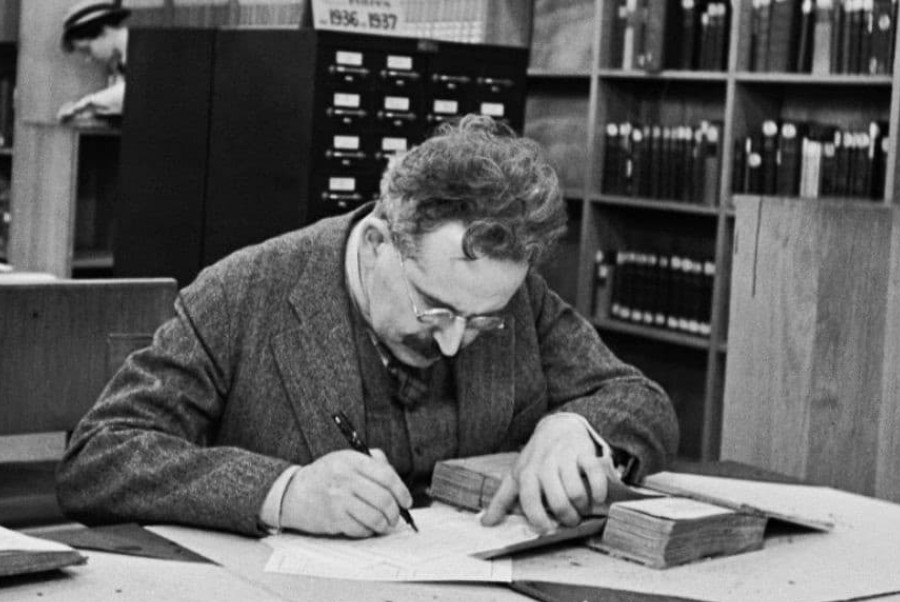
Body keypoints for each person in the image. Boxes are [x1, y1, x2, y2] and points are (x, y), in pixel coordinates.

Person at [57, 114, 679, 538]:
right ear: (380, 241)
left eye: (480, 321)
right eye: (433, 308)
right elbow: (101, 456)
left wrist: (577, 429)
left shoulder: (511, 298)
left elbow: (641, 401)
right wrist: (283, 491)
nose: (453, 340)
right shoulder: (243, 292)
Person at [57, 0, 130, 123]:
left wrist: (88, 103)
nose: (88, 59)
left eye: (87, 50)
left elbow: (130, 93)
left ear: (103, 32)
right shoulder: (121, 62)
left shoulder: (145, 50)